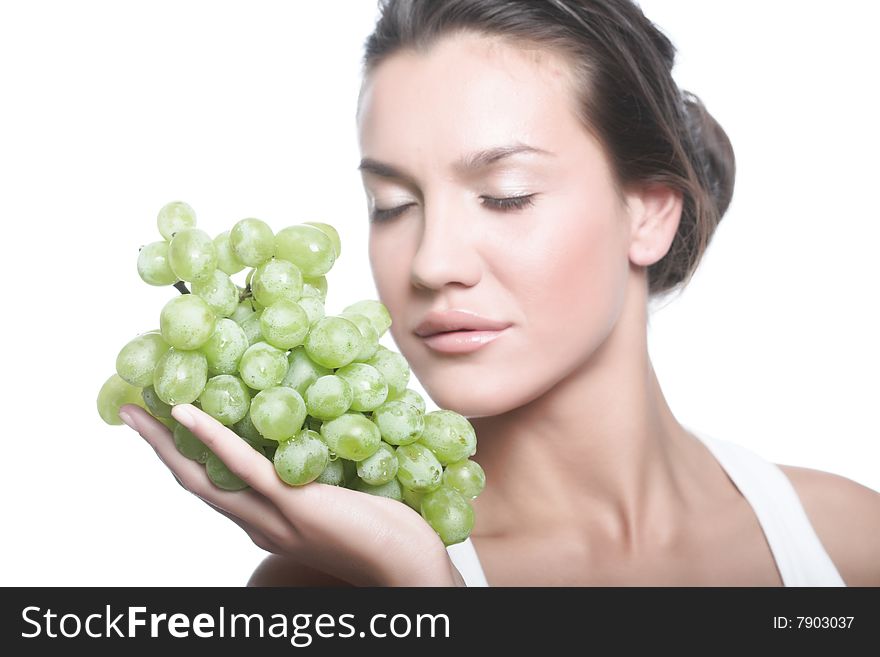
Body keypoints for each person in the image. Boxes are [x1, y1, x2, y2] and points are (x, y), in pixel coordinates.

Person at [119, 0, 880, 586]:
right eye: (392, 204)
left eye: (506, 194)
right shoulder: (329, 587)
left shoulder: (849, 542)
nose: (430, 262)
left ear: (647, 211)